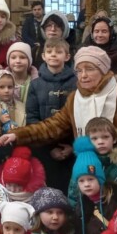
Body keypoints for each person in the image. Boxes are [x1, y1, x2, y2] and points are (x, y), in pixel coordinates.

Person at [0, 47, 117, 155]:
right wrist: (17, 135)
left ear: (103, 70)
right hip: (86, 165)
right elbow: (53, 126)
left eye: (90, 69)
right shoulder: (75, 98)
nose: (83, 75)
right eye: (79, 70)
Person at [25, 38, 76, 194]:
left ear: (67, 57)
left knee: (70, 191)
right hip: (45, 150)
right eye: (50, 52)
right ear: (44, 56)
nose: (54, 55)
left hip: (71, 149)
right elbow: (32, 118)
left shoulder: (76, 83)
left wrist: (73, 147)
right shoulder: (36, 84)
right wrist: (50, 148)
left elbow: (80, 117)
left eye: (59, 52)